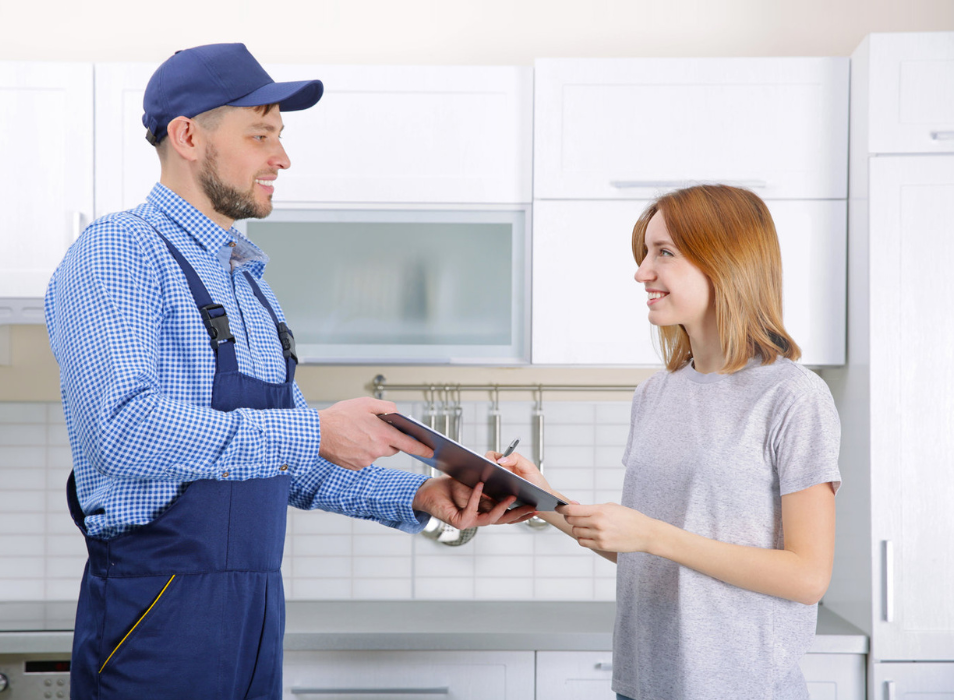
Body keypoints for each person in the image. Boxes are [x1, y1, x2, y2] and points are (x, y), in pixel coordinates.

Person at [45, 42, 535, 700]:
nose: (282, 157)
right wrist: (316, 430)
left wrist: (419, 498)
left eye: (279, 135)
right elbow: (121, 431)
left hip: (254, 617)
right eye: (260, 135)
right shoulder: (119, 252)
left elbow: (292, 461)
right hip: (155, 618)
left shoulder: (247, 280)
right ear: (188, 137)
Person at [494, 185, 841, 700]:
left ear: (726, 262)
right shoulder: (655, 393)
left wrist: (653, 535)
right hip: (643, 684)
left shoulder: (792, 396)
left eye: (664, 253)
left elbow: (807, 577)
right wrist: (542, 498)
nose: (642, 272)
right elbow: (645, 550)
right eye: (645, 253)